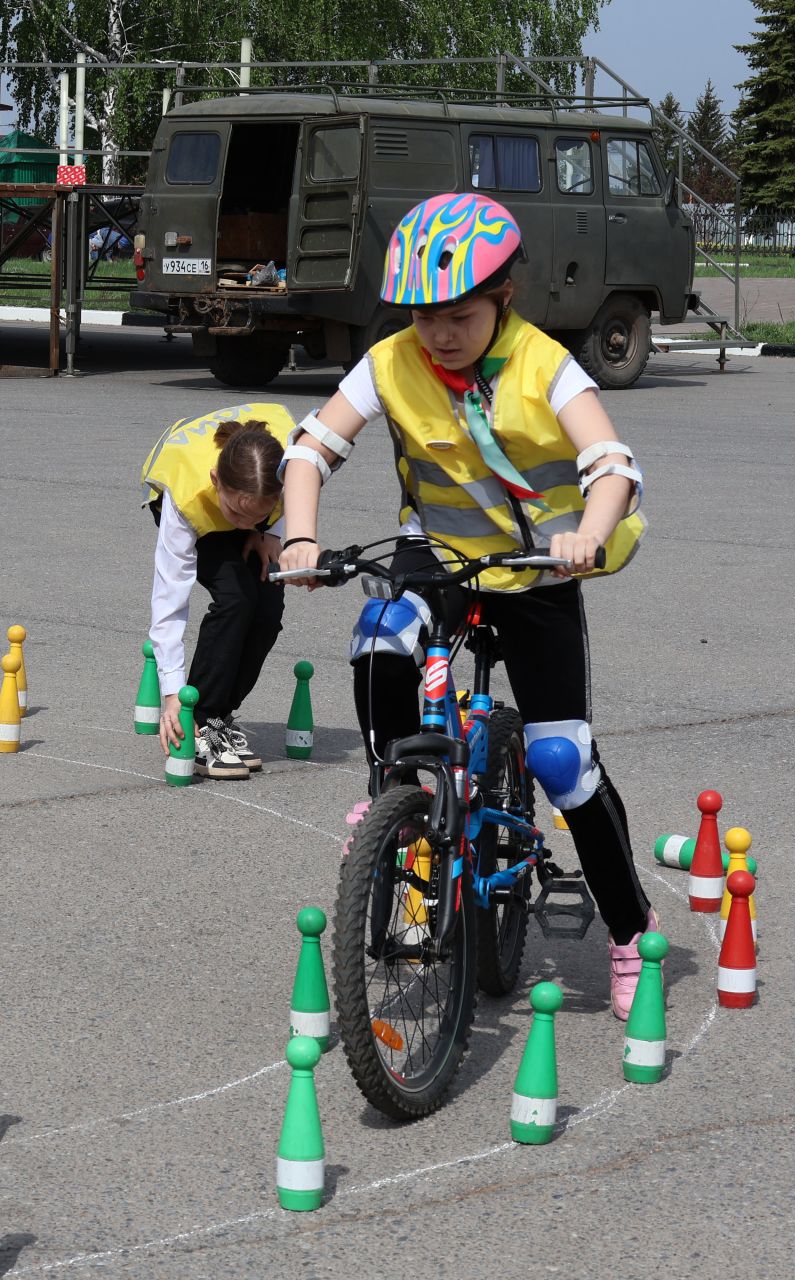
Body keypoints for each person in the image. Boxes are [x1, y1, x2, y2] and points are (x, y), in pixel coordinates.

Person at [275, 192, 654, 1018]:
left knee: (563, 763)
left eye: (459, 315)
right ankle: (396, 796)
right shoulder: (390, 362)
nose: (439, 334)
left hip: (535, 569)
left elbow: (613, 464)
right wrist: (301, 539)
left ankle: (631, 931)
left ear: (502, 299)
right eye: (423, 317)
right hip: (439, 557)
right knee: (379, 634)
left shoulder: (544, 364)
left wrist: (587, 532)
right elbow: (309, 451)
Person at [143, 403, 296, 779]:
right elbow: (169, 602)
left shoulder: (294, 459)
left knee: (267, 608)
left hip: (247, 495)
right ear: (216, 479)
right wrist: (173, 695)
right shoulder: (186, 500)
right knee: (235, 599)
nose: (244, 523)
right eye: (237, 514)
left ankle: (223, 717)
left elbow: (302, 491)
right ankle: (203, 718)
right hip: (199, 520)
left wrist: (268, 533)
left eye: (256, 515)